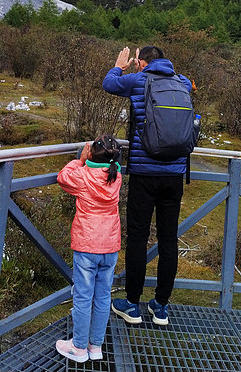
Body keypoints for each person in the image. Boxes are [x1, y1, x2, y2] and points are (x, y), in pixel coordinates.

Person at [102, 45, 193, 326]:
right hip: (174, 174)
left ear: (142, 63)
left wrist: (120, 65)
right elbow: (192, 87)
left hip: (144, 174)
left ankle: (131, 305)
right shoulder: (182, 82)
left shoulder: (139, 80)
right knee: (168, 240)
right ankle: (161, 307)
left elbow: (108, 83)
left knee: (138, 239)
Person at [55, 134, 123, 363]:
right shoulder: (117, 177)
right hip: (110, 245)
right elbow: (106, 168)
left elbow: (63, 178)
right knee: (103, 296)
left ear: (92, 153)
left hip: (87, 244)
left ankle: (79, 348)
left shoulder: (83, 176)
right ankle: (96, 346)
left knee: (83, 297)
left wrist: (80, 160)